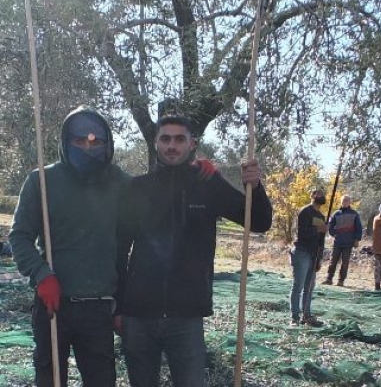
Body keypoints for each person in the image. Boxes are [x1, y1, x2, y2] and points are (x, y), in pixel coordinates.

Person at [115, 115, 273, 386]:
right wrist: (118, 306)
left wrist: (255, 187)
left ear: (192, 144)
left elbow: (258, 221)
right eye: (165, 139)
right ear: (156, 143)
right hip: (138, 315)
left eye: (179, 139)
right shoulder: (137, 188)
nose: (172, 145)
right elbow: (119, 250)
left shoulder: (208, 184)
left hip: (186, 316)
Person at [9, 107, 130, 387]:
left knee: (101, 381)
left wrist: (194, 171)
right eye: (79, 141)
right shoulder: (42, 181)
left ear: (107, 143)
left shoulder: (118, 183)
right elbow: (19, 236)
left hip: (99, 308)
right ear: (65, 142)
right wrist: (41, 274)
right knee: (50, 380)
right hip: (53, 305)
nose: (88, 147)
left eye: (96, 141)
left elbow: (154, 194)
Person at [289, 188, 327, 327]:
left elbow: (321, 240)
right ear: (312, 195)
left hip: (313, 255)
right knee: (298, 285)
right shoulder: (305, 211)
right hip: (301, 252)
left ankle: (306, 315)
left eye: (323, 193)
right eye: (318, 193)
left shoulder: (322, 217)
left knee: (309, 287)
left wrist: (319, 258)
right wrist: (318, 229)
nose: (321, 195)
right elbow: (302, 232)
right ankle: (294, 317)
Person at [323, 195, 363, 287]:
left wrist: (357, 239)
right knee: (333, 260)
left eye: (347, 201)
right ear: (341, 202)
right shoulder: (336, 213)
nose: (345, 202)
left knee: (345, 262)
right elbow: (331, 225)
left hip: (348, 242)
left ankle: (341, 281)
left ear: (349, 202)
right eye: (344, 201)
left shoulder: (354, 214)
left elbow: (359, 228)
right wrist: (334, 234)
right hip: (337, 242)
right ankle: (329, 279)